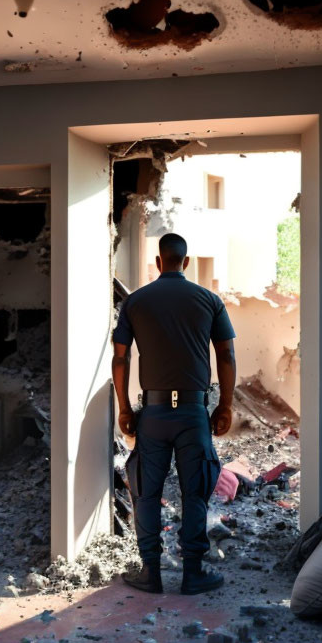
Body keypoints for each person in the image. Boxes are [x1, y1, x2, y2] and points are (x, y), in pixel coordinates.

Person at [111, 232, 237, 595]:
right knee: (194, 492)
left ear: (157, 262)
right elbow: (226, 355)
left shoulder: (136, 302)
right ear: (185, 262)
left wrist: (124, 408)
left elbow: (121, 357)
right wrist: (224, 405)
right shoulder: (209, 300)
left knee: (146, 493)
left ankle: (150, 572)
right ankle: (193, 573)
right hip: (193, 414)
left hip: (154, 412)